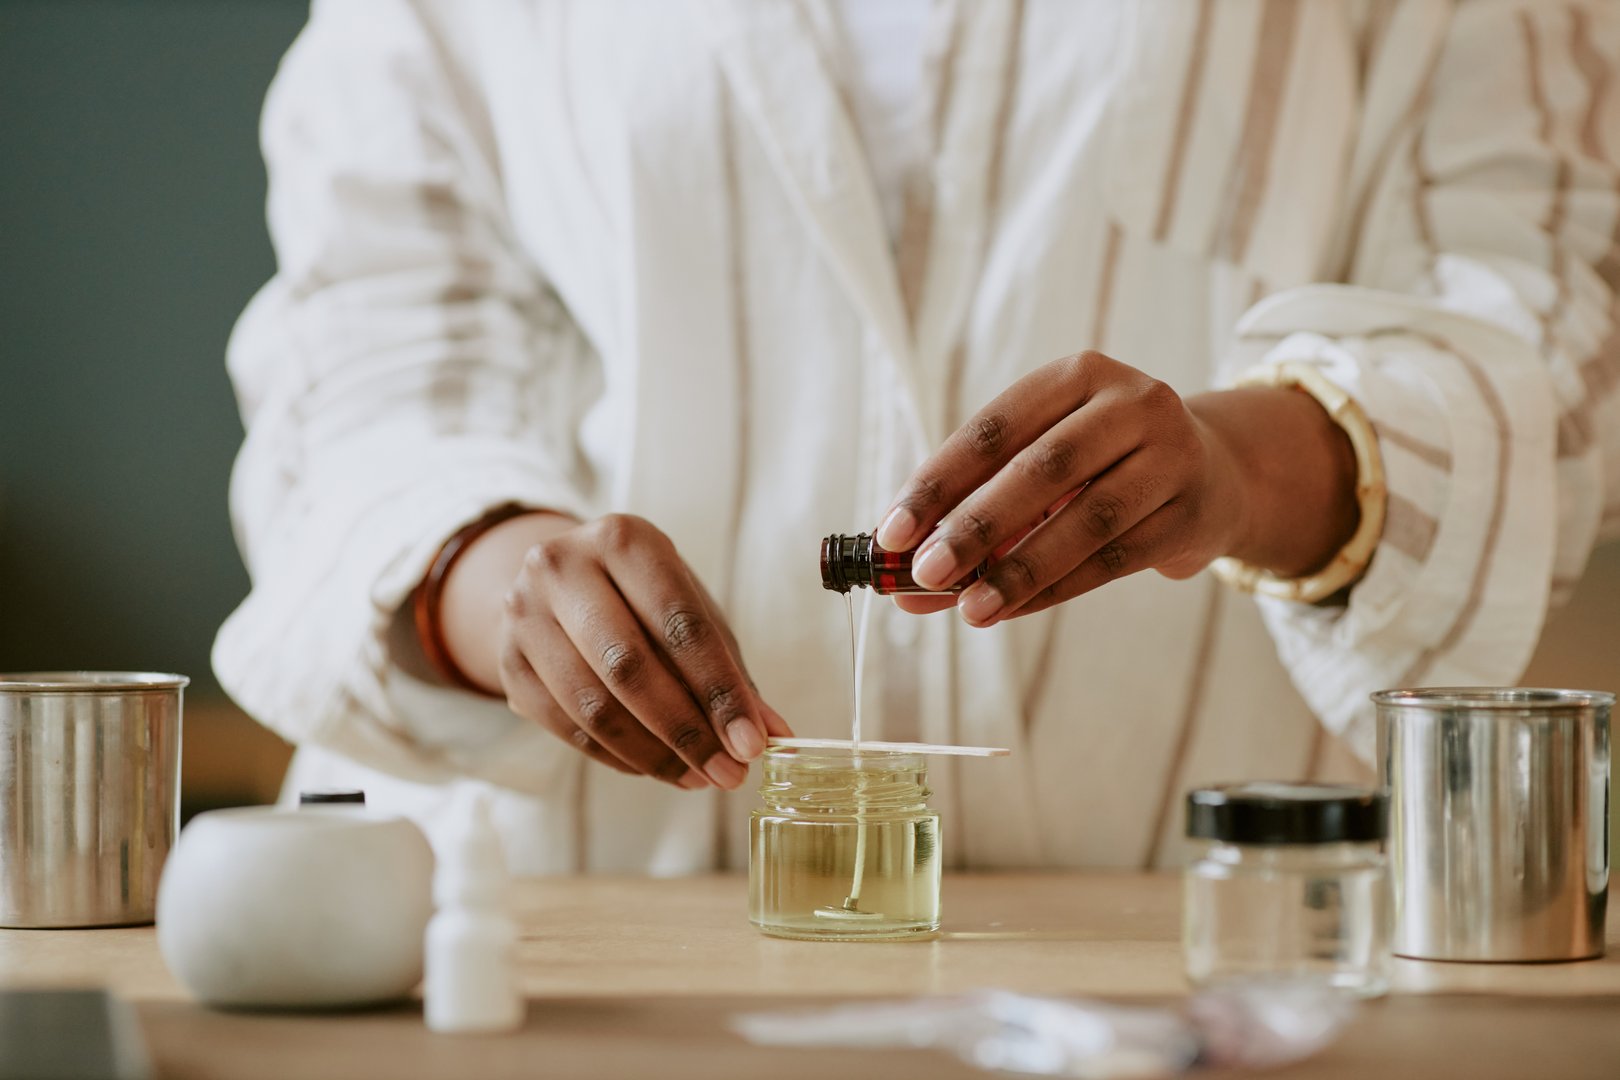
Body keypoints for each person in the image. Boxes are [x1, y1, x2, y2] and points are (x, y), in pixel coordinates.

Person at [216, 1, 1620, 873]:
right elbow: (368, 342)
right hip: (587, 958)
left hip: (1213, 953)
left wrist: (1244, 465)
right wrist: (484, 571)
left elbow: (1548, 320)